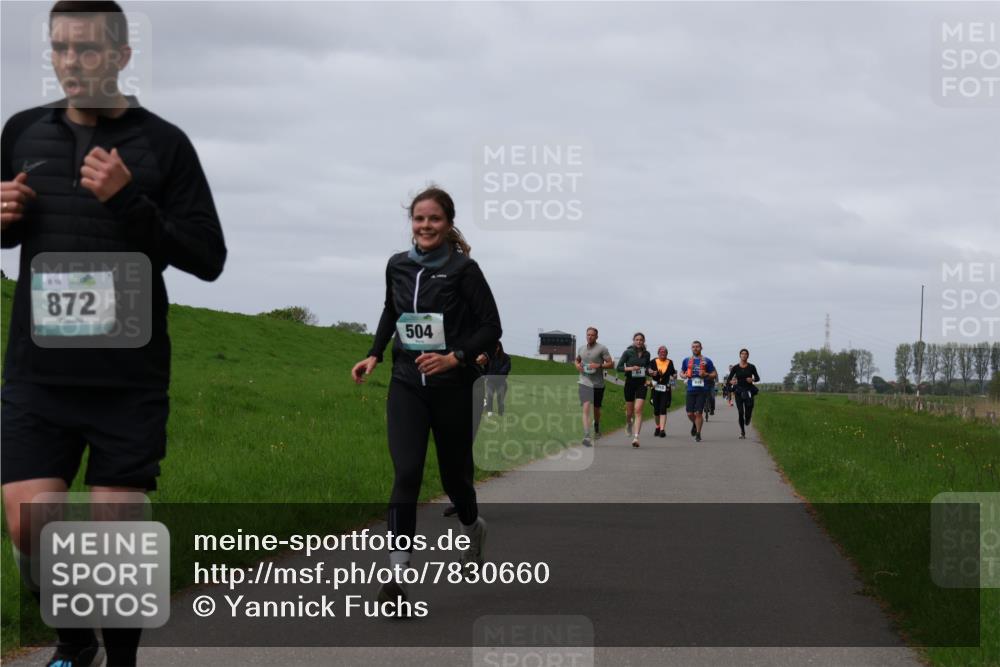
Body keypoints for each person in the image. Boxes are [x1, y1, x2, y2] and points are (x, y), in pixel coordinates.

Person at [1, 3, 227, 665]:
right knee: (28, 522)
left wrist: (129, 199)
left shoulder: (164, 145)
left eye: (88, 49)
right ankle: (75, 643)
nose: (71, 63)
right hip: (38, 371)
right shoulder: (21, 130)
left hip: (127, 378)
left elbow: (207, 257)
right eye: (60, 48)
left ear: (123, 55)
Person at [351, 186, 501, 608]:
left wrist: (454, 357)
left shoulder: (464, 270)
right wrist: (374, 354)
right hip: (406, 385)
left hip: (453, 388)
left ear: (448, 223)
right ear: (411, 222)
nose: (426, 225)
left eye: (434, 218)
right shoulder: (397, 265)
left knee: (455, 479)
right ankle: (397, 575)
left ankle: (473, 528)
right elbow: (391, 310)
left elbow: (491, 327)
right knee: (407, 472)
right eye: (419, 218)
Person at [575, 327, 613, 447]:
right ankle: (587, 435)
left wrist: (598, 365)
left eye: (592, 335)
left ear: (596, 337)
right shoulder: (581, 348)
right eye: (588, 335)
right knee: (586, 408)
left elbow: (611, 364)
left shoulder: (602, 348)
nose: (590, 337)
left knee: (596, 409)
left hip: (598, 384)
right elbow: (577, 360)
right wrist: (577, 366)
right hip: (584, 382)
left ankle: (596, 425)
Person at [616, 332, 651, 447]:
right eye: (637, 339)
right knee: (629, 412)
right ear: (633, 340)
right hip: (630, 383)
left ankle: (636, 438)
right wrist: (631, 368)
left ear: (644, 341)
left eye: (641, 340)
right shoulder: (628, 352)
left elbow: (647, 367)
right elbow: (619, 368)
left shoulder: (647, 354)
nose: (639, 341)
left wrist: (650, 371)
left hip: (642, 383)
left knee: (638, 410)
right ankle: (628, 423)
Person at [680, 341, 717, 443]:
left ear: (701, 348)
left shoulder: (707, 360)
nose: (695, 348)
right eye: (693, 347)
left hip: (702, 390)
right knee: (689, 413)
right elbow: (681, 372)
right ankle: (695, 424)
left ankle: (698, 434)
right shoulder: (686, 360)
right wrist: (684, 375)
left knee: (698, 413)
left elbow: (714, 374)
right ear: (691, 348)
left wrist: (706, 374)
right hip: (690, 389)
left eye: (697, 347)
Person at [726, 348, 761, 439]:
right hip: (739, 391)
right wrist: (731, 382)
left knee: (749, 409)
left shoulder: (751, 367)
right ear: (740, 355)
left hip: (749, 390)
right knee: (740, 412)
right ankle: (742, 432)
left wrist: (752, 379)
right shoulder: (735, 367)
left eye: (745, 354)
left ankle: (748, 418)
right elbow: (728, 379)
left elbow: (758, 378)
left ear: (748, 356)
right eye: (742, 354)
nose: (744, 355)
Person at [649, 346, 677, 438]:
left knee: (663, 409)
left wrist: (674, 375)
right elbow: (648, 371)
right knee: (656, 410)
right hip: (655, 388)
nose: (663, 354)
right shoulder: (653, 361)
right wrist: (651, 372)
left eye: (664, 352)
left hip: (665, 389)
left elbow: (673, 372)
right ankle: (657, 426)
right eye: (661, 352)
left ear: (667, 353)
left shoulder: (670, 362)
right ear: (658, 353)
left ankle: (662, 430)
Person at [483, 341, 511, 417]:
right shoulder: (489, 357)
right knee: (490, 396)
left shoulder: (506, 358)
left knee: (500, 399)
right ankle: (489, 412)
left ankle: (500, 414)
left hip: (501, 382)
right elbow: (485, 369)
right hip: (490, 381)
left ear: (499, 347)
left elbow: (505, 370)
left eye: (496, 347)